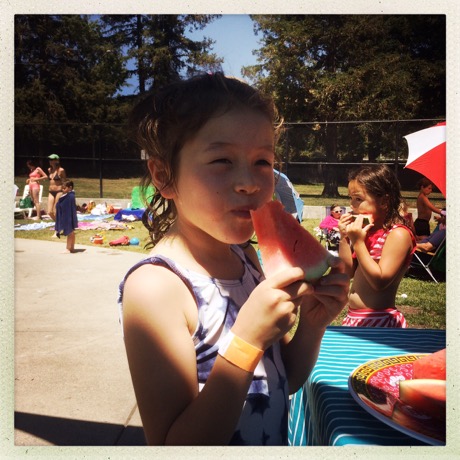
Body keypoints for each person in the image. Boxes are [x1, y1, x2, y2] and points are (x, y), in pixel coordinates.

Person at [118, 73, 349, 446]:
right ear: (164, 176)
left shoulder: (249, 260)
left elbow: (281, 380)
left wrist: (313, 325)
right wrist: (245, 340)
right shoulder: (156, 288)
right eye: (222, 159)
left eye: (262, 161)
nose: (250, 182)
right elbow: (173, 445)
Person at [338, 164, 417, 328]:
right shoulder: (367, 233)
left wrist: (359, 243)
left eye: (359, 199)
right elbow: (347, 273)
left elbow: (380, 282)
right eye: (350, 198)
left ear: (384, 201)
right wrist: (344, 238)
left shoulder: (398, 235)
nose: (353, 205)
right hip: (354, 318)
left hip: (379, 320)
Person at [55, 180, 78, 253]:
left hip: (68, 216)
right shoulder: (70, 195)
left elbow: (69, 207)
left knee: (69, 232)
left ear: (70, 188)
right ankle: (72, 248)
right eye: (62, 188)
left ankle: (68, 248)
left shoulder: (70, 196)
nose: (63, 190)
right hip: (69, 216)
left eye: (64, 188)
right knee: (72, 232)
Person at [47, 154, 67, 221]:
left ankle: (58, 225)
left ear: (56, 161)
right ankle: (58, 223)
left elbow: (65, 181)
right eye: (50, 159)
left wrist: (65, 190)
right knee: (49, 212)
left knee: (55, 210)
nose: (50, 161)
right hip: (51, 191)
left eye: (52, 160)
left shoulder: (61, 170)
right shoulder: (49, 170)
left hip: (59, 191)